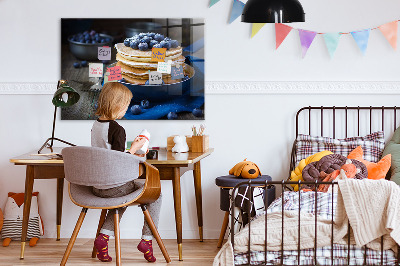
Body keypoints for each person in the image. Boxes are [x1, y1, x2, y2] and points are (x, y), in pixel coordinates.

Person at [91, 82, 161, 263]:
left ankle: (103, 238)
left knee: (121, 197)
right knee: (156, 194)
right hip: (114, 186)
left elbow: (108, 154)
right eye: (126, 106)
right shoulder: (117, 129)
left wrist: (130, 150)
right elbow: (119, 161)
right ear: (117, 105)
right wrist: (136, 148)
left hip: (97, 186)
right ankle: (147, 240)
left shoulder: (96, 125)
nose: (126, 109)